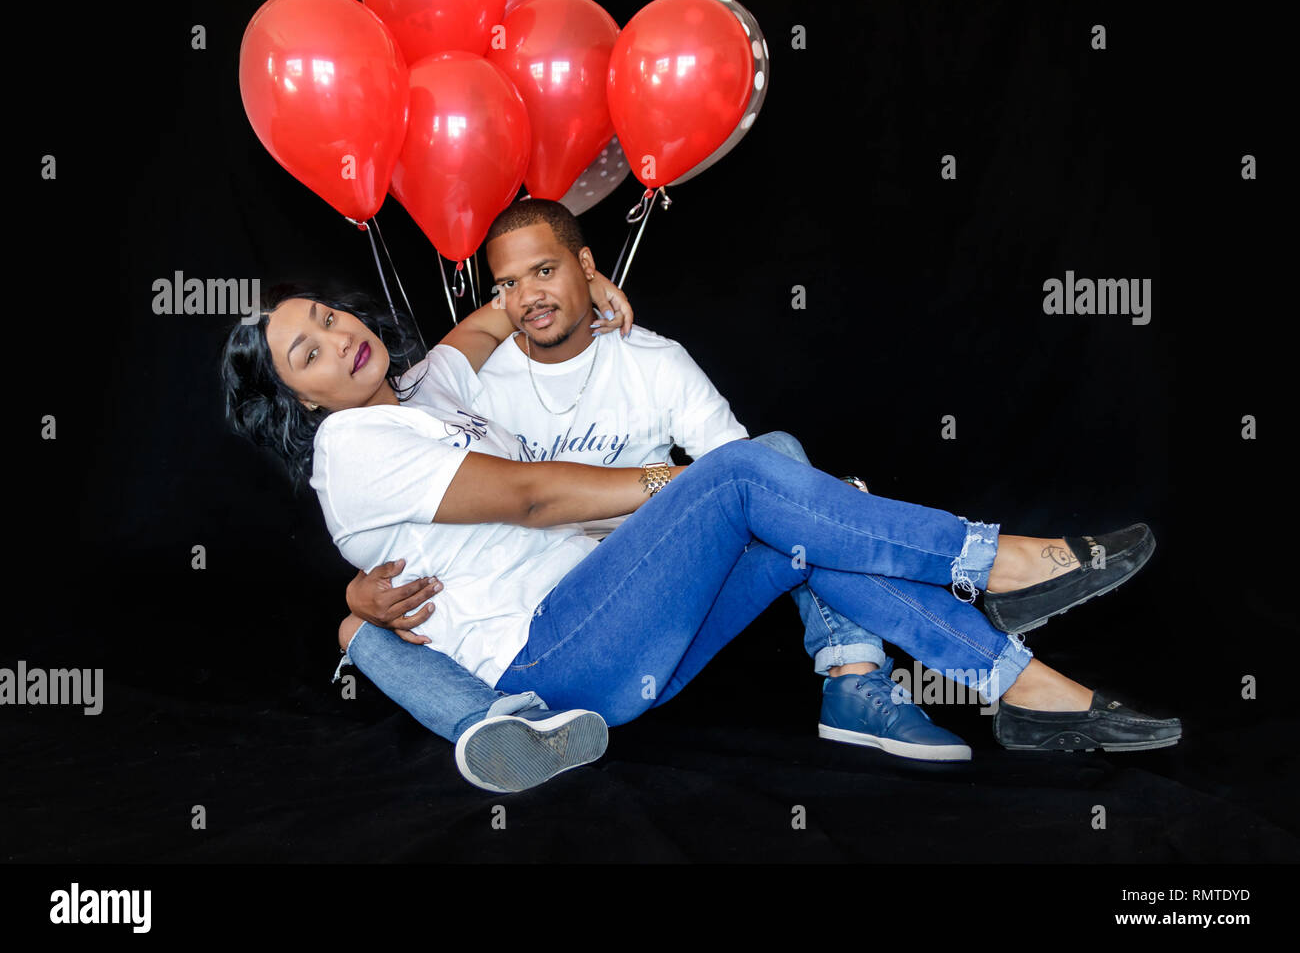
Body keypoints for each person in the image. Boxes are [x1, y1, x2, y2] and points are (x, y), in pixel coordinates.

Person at [220, 264, 1182, 792]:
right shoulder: (347, 446)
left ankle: (1025, 689)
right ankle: (997, 560)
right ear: (296, 400)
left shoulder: (422, 387)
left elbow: (493, 319)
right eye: (306, 348)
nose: (337, 335)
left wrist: (577, 284)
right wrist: (673, 483)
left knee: (786, 489)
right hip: (548, 658)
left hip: (618, 647)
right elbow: (526, 498)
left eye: (324, 313)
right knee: (747, 473)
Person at [343, 198, 976, 778]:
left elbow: (753, 481)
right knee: (351, 628)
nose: (529, 297)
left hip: (657, 601)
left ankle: (854, 679)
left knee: (778, 458)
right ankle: (979, 569)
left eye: (546, 271)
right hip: (551, 624)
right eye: (508, 284)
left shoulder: (651, 361)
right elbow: (441, 503)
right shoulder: (458, 390)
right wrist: (359, 591)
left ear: (585, 264)